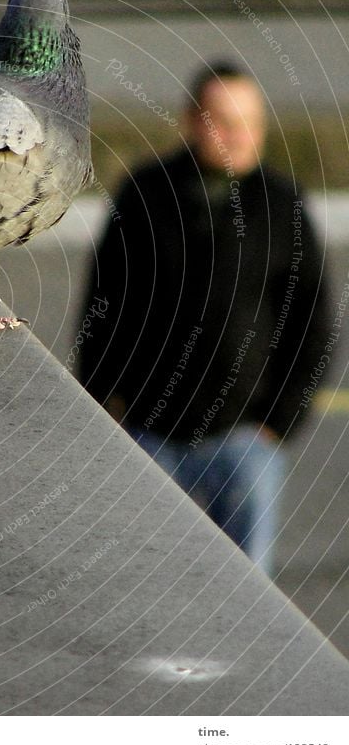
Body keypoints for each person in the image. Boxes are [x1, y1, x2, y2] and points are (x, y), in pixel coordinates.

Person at [78, 61, 329, 575]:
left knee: (244, 598)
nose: (239, 137)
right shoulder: (146, 193)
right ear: (192, 121)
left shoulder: (283, 206)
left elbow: (313, 320)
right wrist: (106, 404)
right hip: (148, 436)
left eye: (250, 124)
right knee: (139, 584)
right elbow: (103, 301)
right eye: (224, 122)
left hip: (245, 441)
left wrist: (279, 423)